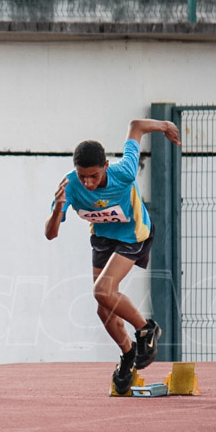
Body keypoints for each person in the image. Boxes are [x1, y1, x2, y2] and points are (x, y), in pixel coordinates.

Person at [45, 119, 181, 395]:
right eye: (82, 176)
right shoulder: (70, 186)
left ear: (106, 165)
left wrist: (165, 125)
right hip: (103, 237)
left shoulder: (125, 171)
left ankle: (146, 329)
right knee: (103, 306)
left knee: (102, 290)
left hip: (133, 234)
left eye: (93, 176)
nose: (88, 183)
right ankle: (128, 354)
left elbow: (136, 126)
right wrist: (58, 209)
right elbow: (50, 234)